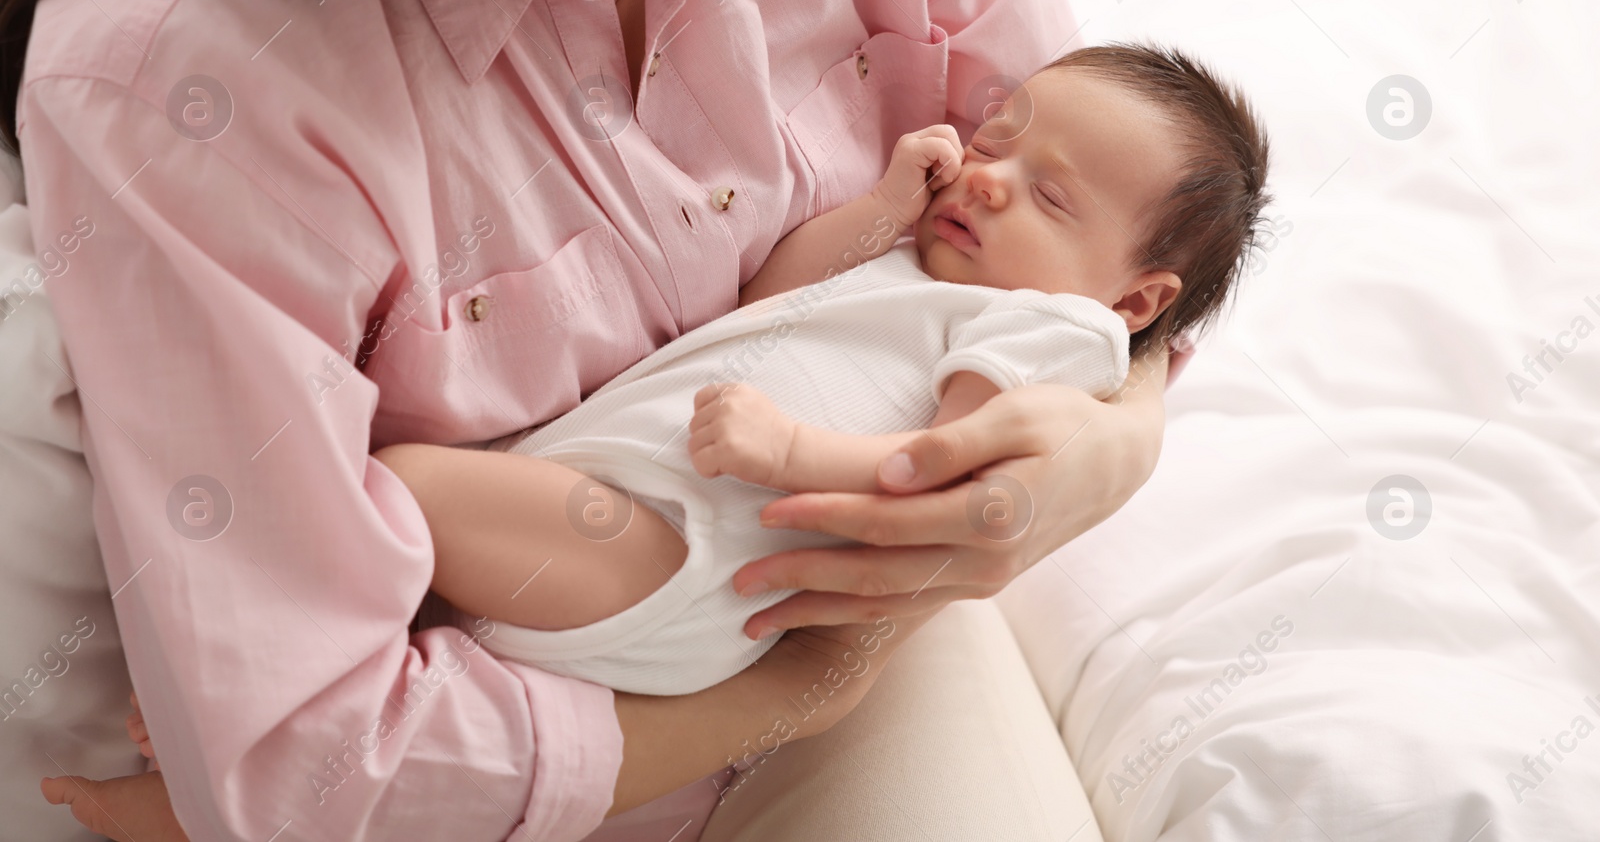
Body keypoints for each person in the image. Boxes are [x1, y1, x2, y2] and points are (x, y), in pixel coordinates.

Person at [3, 0, 1174, 838]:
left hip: (876, 626)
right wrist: (806, 676)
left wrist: (1111, 444)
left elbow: (1132, 226)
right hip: (602, 730)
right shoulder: (188, 82)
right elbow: (314, 770)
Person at [370, 44, 1267, 697]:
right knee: (407, 578)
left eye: (1052, 196)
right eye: (994, 146)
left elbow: (938, 466)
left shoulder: (1055, 328)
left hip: (679, 548)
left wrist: (788, 448)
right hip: (620, 499)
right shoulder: (927, 271)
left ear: (1137, 303)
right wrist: (885, 207)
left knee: (400, 489)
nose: (990, 180)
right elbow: (768, 297)